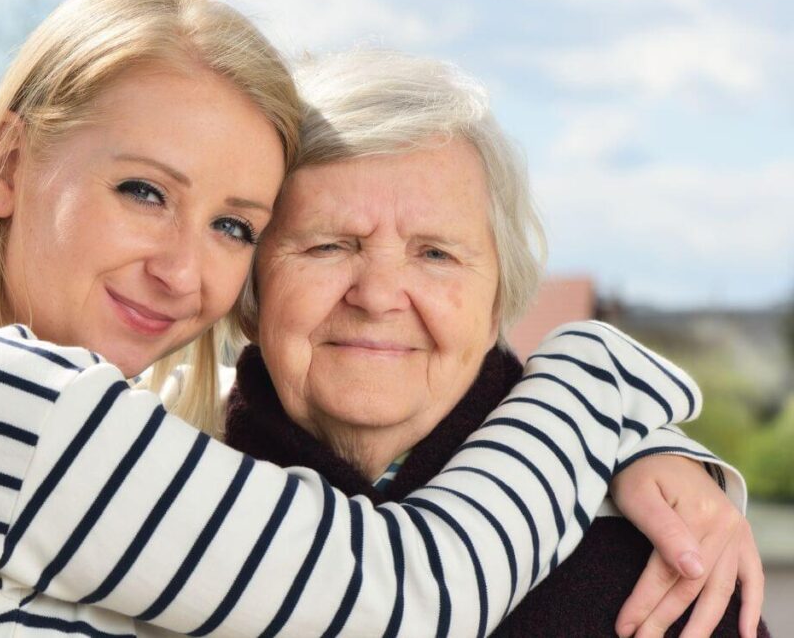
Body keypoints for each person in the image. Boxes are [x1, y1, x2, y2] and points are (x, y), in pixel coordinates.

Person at [0, 0, 760, 638]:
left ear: (496, 286)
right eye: (143, 191)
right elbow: (416, 588)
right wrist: (592, 375)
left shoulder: (113, 448)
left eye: (232, 223)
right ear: (8, 168)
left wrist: (648, 452)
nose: (180, 269)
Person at [224, 49, 767, 636]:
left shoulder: (659, 564)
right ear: (250, 286)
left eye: (436, 254)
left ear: (498, 302)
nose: (378, 296)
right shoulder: (155, 486)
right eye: (328, 245)